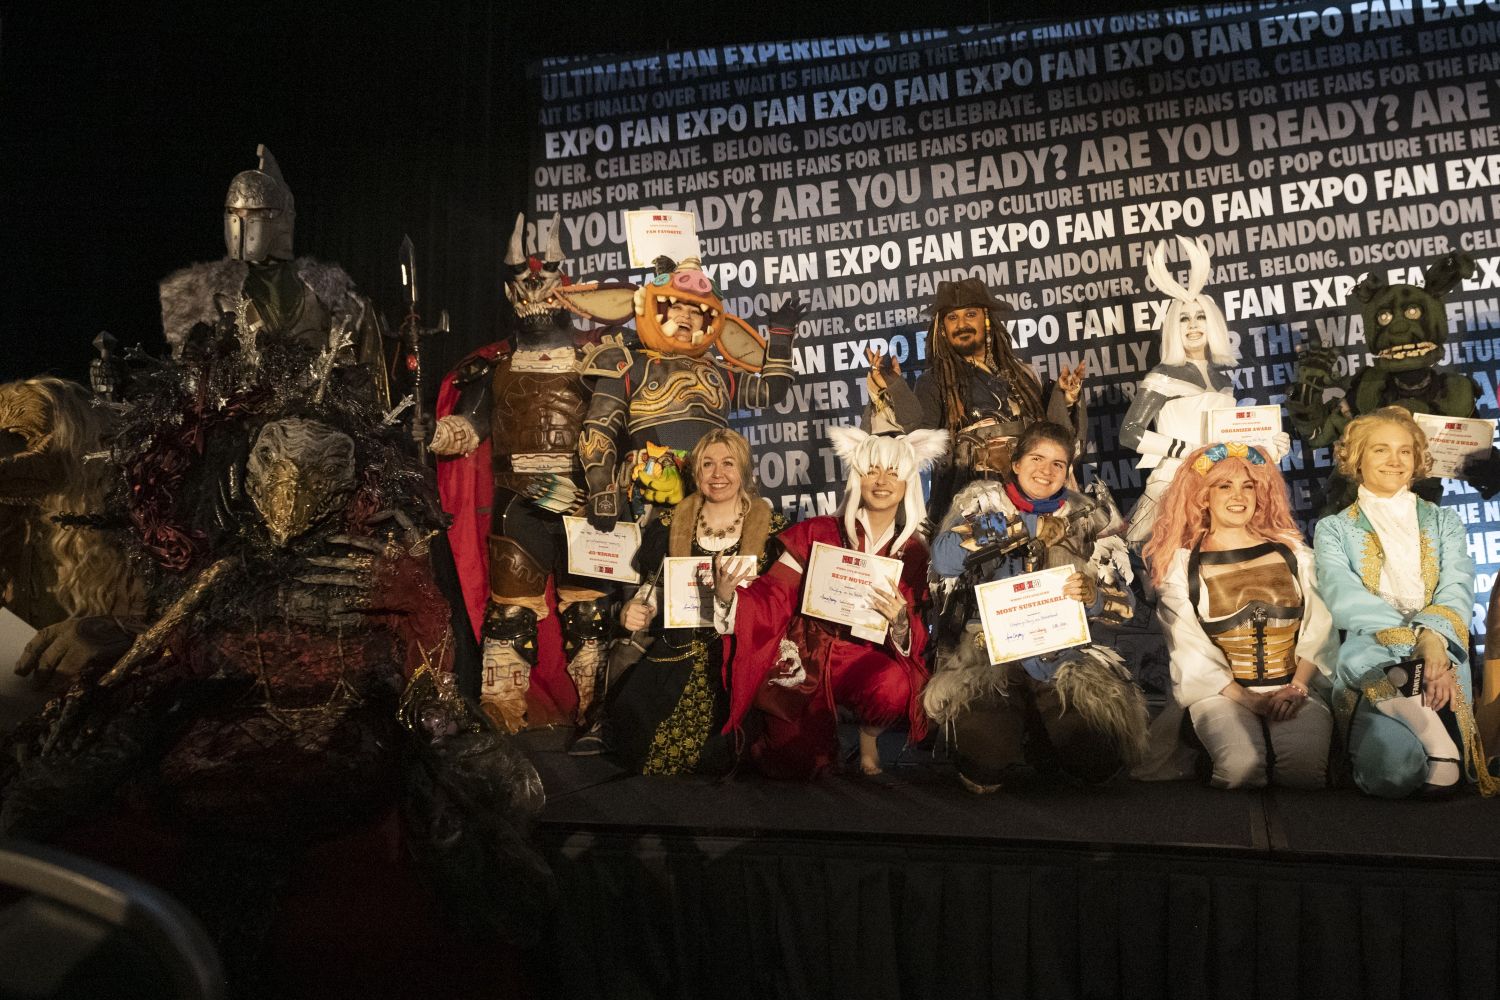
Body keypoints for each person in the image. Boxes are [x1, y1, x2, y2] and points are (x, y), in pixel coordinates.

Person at [429, 212, 637, 732]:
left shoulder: (600, 363)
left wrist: (614, 485)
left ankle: (597, 710)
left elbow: (622, 430)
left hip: (585, 505)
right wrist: (437, 433)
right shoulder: (492, 369)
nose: (537, 298)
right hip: (517, 506)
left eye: (546, 288)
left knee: (589, 615)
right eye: (525, 288)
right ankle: (502, 710)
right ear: (512, 298)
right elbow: (469, 427)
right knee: (509, 615)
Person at [924, 421, 1146, 793]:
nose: (1046, 470)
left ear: (1068, 470)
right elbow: (945, 559)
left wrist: (1094, 597)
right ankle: (1012, 732)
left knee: (1097, 761)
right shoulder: (984, 502)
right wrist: (1026, 526)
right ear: (1016, 463)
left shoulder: (1088, 515)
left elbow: (1126, 608)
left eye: (1058, 463)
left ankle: (1045, 737)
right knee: (983, 765)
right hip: (989, 654)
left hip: (1060, 655)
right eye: (1037, 459)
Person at [714, 426, 947, 779]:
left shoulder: (914, 552)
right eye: (871, 470)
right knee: (792, 764)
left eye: (893, 472)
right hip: (807, 652)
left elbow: (915, 629)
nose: (881, 481)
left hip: (866, 657)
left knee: (895, 687)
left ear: (907, 483)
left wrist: (900, 622)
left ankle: (869, 737)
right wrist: (729, 598)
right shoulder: (818, 532)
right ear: (857, 477)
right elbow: (775, 593)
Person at [1313, 407, 1496, 797]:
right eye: (1380, 450)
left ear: (1417, 460)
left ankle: (1438, 741)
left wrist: (1435, 641)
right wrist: (1416, 645)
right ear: (1357, 458)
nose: (1394, 461)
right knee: (1394, 773)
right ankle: (1434, 740)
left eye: (1404, 451)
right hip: (1374, 655)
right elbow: (1344, 596)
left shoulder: (1444, 521)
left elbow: (1458, 585)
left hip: (1441, 656)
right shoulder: (1334, 528)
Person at [1140, 443, 1336, 788]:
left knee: (1302, 774)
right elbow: (1189, 647)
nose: (1239, 496)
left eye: (1248, 486)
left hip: (1293, 687)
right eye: (1224, 486)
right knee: (1241, 770)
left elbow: (1320, 627)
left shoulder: (1293, 552)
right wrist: (1248, 700)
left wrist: (1298, 686)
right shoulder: (1182, 566)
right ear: (1204, 495)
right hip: (1221, 693)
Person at [591, 429, 783, 774]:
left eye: (728, 464)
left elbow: (779, 605)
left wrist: (732, 601)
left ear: (744, 470)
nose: (718, 474)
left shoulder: (773, 530)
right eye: (707, 464)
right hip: (679, 647)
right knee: (638, 736)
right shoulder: (669, 524)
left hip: (743, 654)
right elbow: (653, 588)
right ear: (696, 472)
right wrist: (638, 609)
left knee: (747, 748)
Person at [867, 278, 1084, 517]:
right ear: (942, 328)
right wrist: (894, 390)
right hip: (973, 506)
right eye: (952, 318)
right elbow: (918, 439)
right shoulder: (934, 382)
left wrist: (1065, 399)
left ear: (986, 319)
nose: (961, 325)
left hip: (1035, 498)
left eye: (970, 315)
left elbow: (1053, 437)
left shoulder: (1024, 374)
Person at [1122, 236, 1287, 547]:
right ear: (1173, 327)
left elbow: (1231, 442)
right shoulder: (1163, 375)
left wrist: (1269, 447)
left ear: (1213, 324)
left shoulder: (1221, 380)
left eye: (1200, 317)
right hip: (1173, 486)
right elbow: (1130, 433)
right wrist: (1191, 452)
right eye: (1184, 319)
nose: (1193, 325)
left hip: (1219, 488)